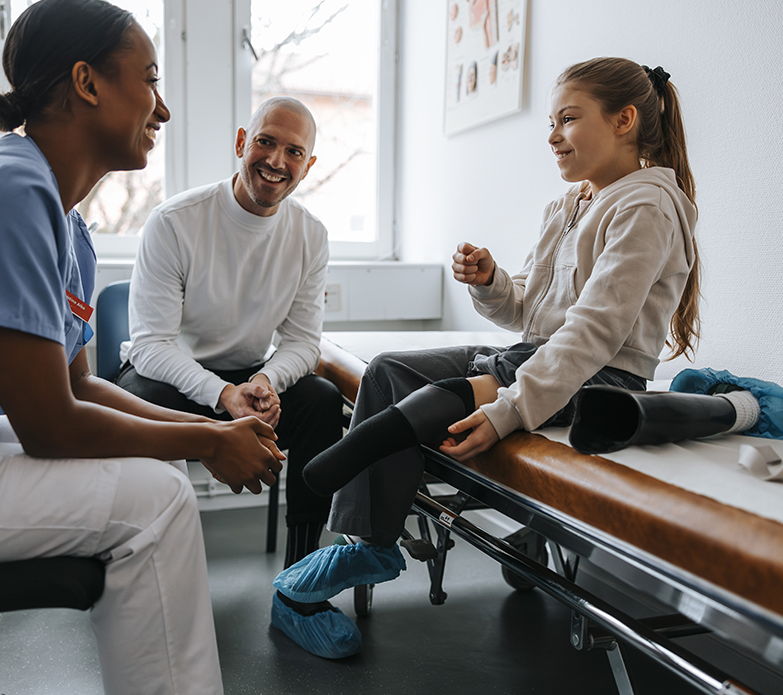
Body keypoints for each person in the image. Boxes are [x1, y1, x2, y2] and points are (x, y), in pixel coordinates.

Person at [0, 0, 285, 695]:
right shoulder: (7, 190)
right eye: (151, 80)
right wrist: (208, 444)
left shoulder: (67, 229)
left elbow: (76, 386)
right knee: (154, 501)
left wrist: (214, 426)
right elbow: (48, 425)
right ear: (87, 82)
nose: (162, 109)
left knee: (158, 483)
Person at [272, 57, 701, 659]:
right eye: (550, 122)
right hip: (540, 353)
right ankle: (366, 542)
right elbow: (530, 314)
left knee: (443, 396)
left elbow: (594, 332)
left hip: (603, 379)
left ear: (625, 120)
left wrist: (510, 408)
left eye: (568, 119)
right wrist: (494, 281)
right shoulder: (571, 204)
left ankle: (340, 511)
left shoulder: (646, 206)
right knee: (390, 370)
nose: (552, 135)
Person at [114, 98, 344, 642]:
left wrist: (264, 381)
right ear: (242, 142)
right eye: (266, 141)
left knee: (319, 399)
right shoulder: (175, 220)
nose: (276, 160)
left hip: (246, 378)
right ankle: (140, 589)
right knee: (137, 400)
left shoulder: (310, 235)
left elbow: (302, 341)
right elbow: (150, 345)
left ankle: (299, 590)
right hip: (167, 379)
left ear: (308, 166)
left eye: (294, 151)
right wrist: (223, 396)